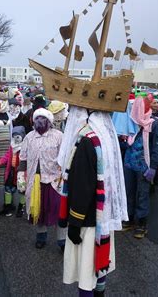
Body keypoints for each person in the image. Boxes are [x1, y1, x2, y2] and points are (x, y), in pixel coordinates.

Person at [58, 107, 128, 296]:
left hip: (87, 220)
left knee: (86, 273)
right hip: (102, 214)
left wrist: (74, 222)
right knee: (99, 265)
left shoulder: (87, 141)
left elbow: (82, 186)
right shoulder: (103, 136)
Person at [18, 108, 65, 249]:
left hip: (54, 180)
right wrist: (21, 179)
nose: (40, 122)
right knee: (38, 209)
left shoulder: (58, 136)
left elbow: (64, 158)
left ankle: (62, 240)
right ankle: (41, 237)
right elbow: (23, 159)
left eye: (43, 119)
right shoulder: (29, 137)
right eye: (37, 119)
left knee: (58, 210)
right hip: (35, 180)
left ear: (49, 122)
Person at [121, 95, 158, 238]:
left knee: (142, 194)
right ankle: (130, 219)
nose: (135, 110)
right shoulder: (131, 122)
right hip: (129, 163)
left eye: (137, 108)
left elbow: (157, 147)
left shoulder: (154, 123)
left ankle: (141, 224)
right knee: (129, 192)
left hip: (144, 165)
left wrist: (153, 168)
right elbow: (126, 143)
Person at [0, 126, 27, 217]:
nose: (16, 138)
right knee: (8, 188)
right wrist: (0, 161)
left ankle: (21, 208)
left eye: (18, 136)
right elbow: (7, 155)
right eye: (14, 136)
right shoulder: (12, 146)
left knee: (22, 190)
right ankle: (7, 208)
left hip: (21, 172)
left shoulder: (26, 146)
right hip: (12, 171)